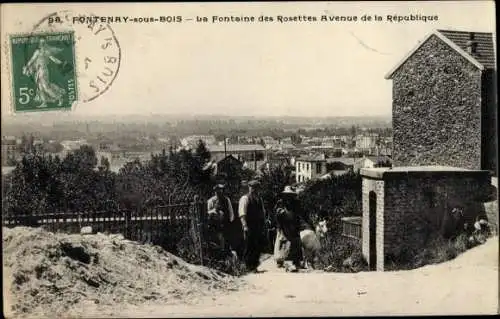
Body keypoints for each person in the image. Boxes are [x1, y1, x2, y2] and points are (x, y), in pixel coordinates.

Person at [238, 179, 267, 272]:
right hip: (249, 226)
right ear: (249, 188)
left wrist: (264, 224)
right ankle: (247, 266)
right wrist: (245, 225)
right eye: (253, 188)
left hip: (258, 226)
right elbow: (242, 213)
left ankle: (254, 266)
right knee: (249, 246)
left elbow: (262, 213)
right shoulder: (245, 198)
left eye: (256, 188)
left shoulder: (259, 199)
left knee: (257, 246)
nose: (254, 190)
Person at [274, 186, 304, 272]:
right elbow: (276, 215)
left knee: (295, 242)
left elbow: (299, 214)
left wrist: (298, 225)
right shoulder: (280, 203)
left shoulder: (296, 203)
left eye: (290, 195)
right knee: (282, 241)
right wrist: (279, 213)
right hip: (284, 225)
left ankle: (296, 261)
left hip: (293, 225)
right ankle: (281, 260)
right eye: (287, 195)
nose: (288, 197)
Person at [207, 183, 235, 255]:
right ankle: (219, 252)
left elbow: (230, 210)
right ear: (215, 191)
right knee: (219, 237)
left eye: (220, 190)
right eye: (217, 191)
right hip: (216, 223)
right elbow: (208, 212)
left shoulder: (226, 199)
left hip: (225, 221)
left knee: (227, 237)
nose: (219, 192)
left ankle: (227, 252)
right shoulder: (211, 201)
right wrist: (214, 211)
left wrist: (230, 220)